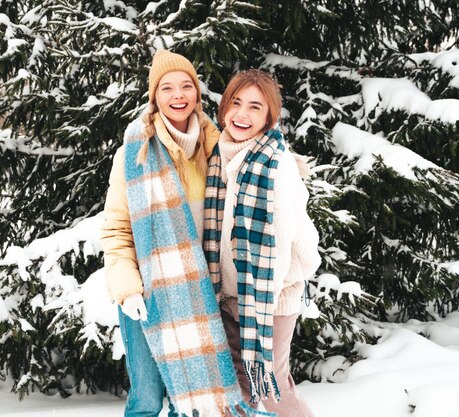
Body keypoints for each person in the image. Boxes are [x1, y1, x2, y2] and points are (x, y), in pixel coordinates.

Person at [101, 50, 267, 417]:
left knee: (190, 402)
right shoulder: (133, 154)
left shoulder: (218, 148)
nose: (178, 95)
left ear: (196, 93)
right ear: (154, 97)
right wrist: (127, 288)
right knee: (145, 398)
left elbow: (264, 163)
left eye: (186, 85)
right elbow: (116, 228)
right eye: (167, 88)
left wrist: (293, 168)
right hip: (143, 293)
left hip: (200, 296)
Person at [204, 69, 321, 417]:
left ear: (269, 116)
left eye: (255, 107)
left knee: (269, 386)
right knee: (241, 388)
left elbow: (280, 238)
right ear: (224, 107)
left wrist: (258, 306)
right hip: (231, 292)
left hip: (269, 294)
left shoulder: (275, 163)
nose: (242, 114)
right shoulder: (219, 157)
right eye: (236, 103)